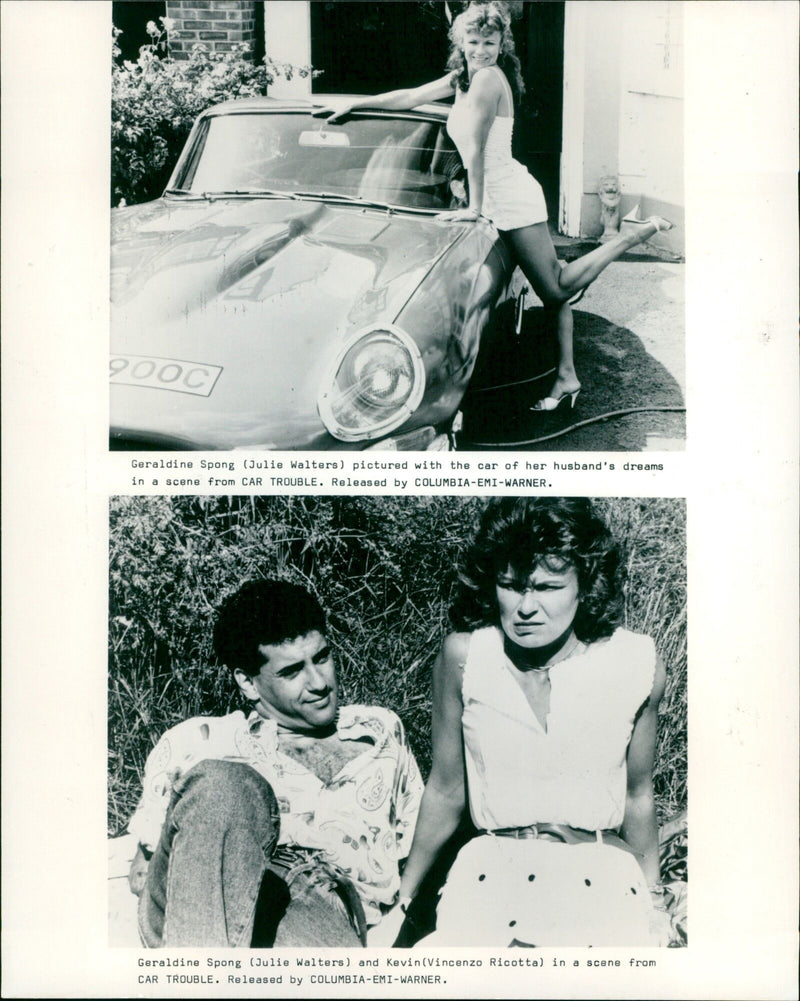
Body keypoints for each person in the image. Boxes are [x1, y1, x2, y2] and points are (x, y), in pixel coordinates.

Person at [316, 1, 673, 412]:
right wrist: (355, 105)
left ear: (502, 43)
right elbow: (411, 96)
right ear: (460, 42)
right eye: (474, 41)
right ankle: (567, 376)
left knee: (555, 287)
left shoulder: (486, 79)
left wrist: (476, 207)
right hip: (497, 192)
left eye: (490, 41)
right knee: (552, 294)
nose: (482, 49)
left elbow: (475, 149)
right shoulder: (463, 78)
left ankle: (631, 234)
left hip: (508, 194)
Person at [372, 498, 670, 947]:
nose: (526, 607)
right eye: (511, 586)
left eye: (548, 587)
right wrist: (403, 901)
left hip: (601, 878)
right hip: (490, 877)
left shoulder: (635, 661)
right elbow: (446, 789)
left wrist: (655, 903)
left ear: (584, 586)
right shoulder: (465, 656)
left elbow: (638, 794)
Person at [126, 579, 423, 947]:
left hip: (320, 905)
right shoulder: (197, 741)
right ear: (249, 684)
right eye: (292, 671)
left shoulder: (380, 731)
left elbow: (418, 849)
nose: (318, 682)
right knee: (225, 784)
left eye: (322, 658)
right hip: (215, 895)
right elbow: (144, 875)